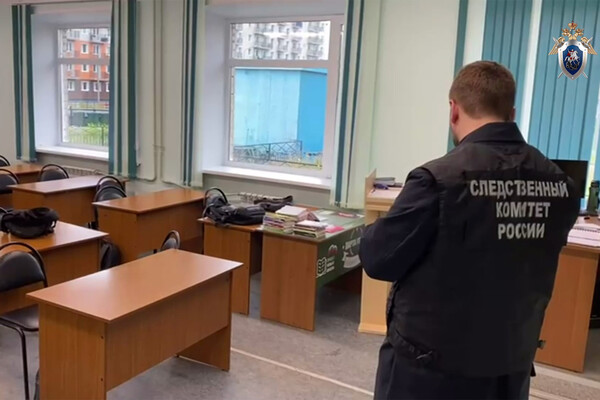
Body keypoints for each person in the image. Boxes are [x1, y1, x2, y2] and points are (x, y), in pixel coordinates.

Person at [360, 61, 580, 400]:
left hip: (430, 371)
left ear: (453, 110)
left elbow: (378, 260)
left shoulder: (436, 180)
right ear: (511, 113)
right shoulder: (561, 185)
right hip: (509, 366)